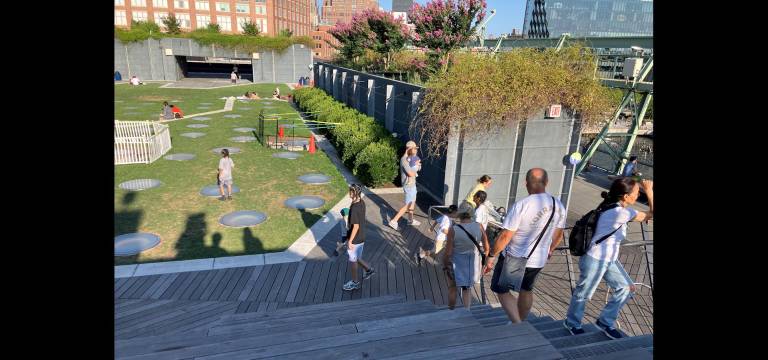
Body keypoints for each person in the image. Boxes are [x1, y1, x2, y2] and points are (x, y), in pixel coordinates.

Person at [564, 178, 653, 339]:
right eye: (636, 193)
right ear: (625, 196)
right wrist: (649, 191)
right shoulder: (621, 212)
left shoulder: (614, 207)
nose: (638, 195)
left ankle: (605, 321)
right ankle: (572, 323)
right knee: (583, 293)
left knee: (627, 288)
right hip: (595, 259)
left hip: (609, 259)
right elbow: (651, 214)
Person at [484, 168, 567, 324]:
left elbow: (505, 236)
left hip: (515, 257)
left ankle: (517, 323)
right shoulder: (558, 205)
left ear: (526, 183)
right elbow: (558, 235)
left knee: (500, 289)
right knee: (526, 290)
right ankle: (520, 319)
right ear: (547, 183)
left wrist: (491, 256)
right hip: (538, 259)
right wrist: (550, 250)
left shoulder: (522, 205)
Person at [443, 207, 489, 310]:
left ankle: (451, 310)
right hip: (472, 261)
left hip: (457, 261)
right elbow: (486, 246)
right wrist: (484, 262)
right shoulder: (479, 226)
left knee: (452, 287)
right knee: (466, 288)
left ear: (459, 214)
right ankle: (467, 310)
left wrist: (445, 263)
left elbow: (448, 253)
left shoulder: (454, 229)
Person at [342, 184, 375, 291]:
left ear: (355, 193)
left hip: (355, 239)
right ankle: (369, 269)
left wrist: (350, 241)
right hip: (362, 236)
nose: (349, 193)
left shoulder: (355, 208)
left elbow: (355, 226)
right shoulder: (361, 202)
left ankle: (355, 282)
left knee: (353, 260)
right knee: (357, 257)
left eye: (351, 192)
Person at [388, 141, 421, 230]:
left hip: (413, 184)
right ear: (409, 149)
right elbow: (410, 173)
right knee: (408, 205)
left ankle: (410, 220)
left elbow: (416, 169)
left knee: (412, 202)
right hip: (408, 185)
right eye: (414, 148)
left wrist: (418, 166)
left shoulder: (411, 158)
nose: (416, 150)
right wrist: (417, 167)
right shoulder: (405, 160)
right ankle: (394, 221)